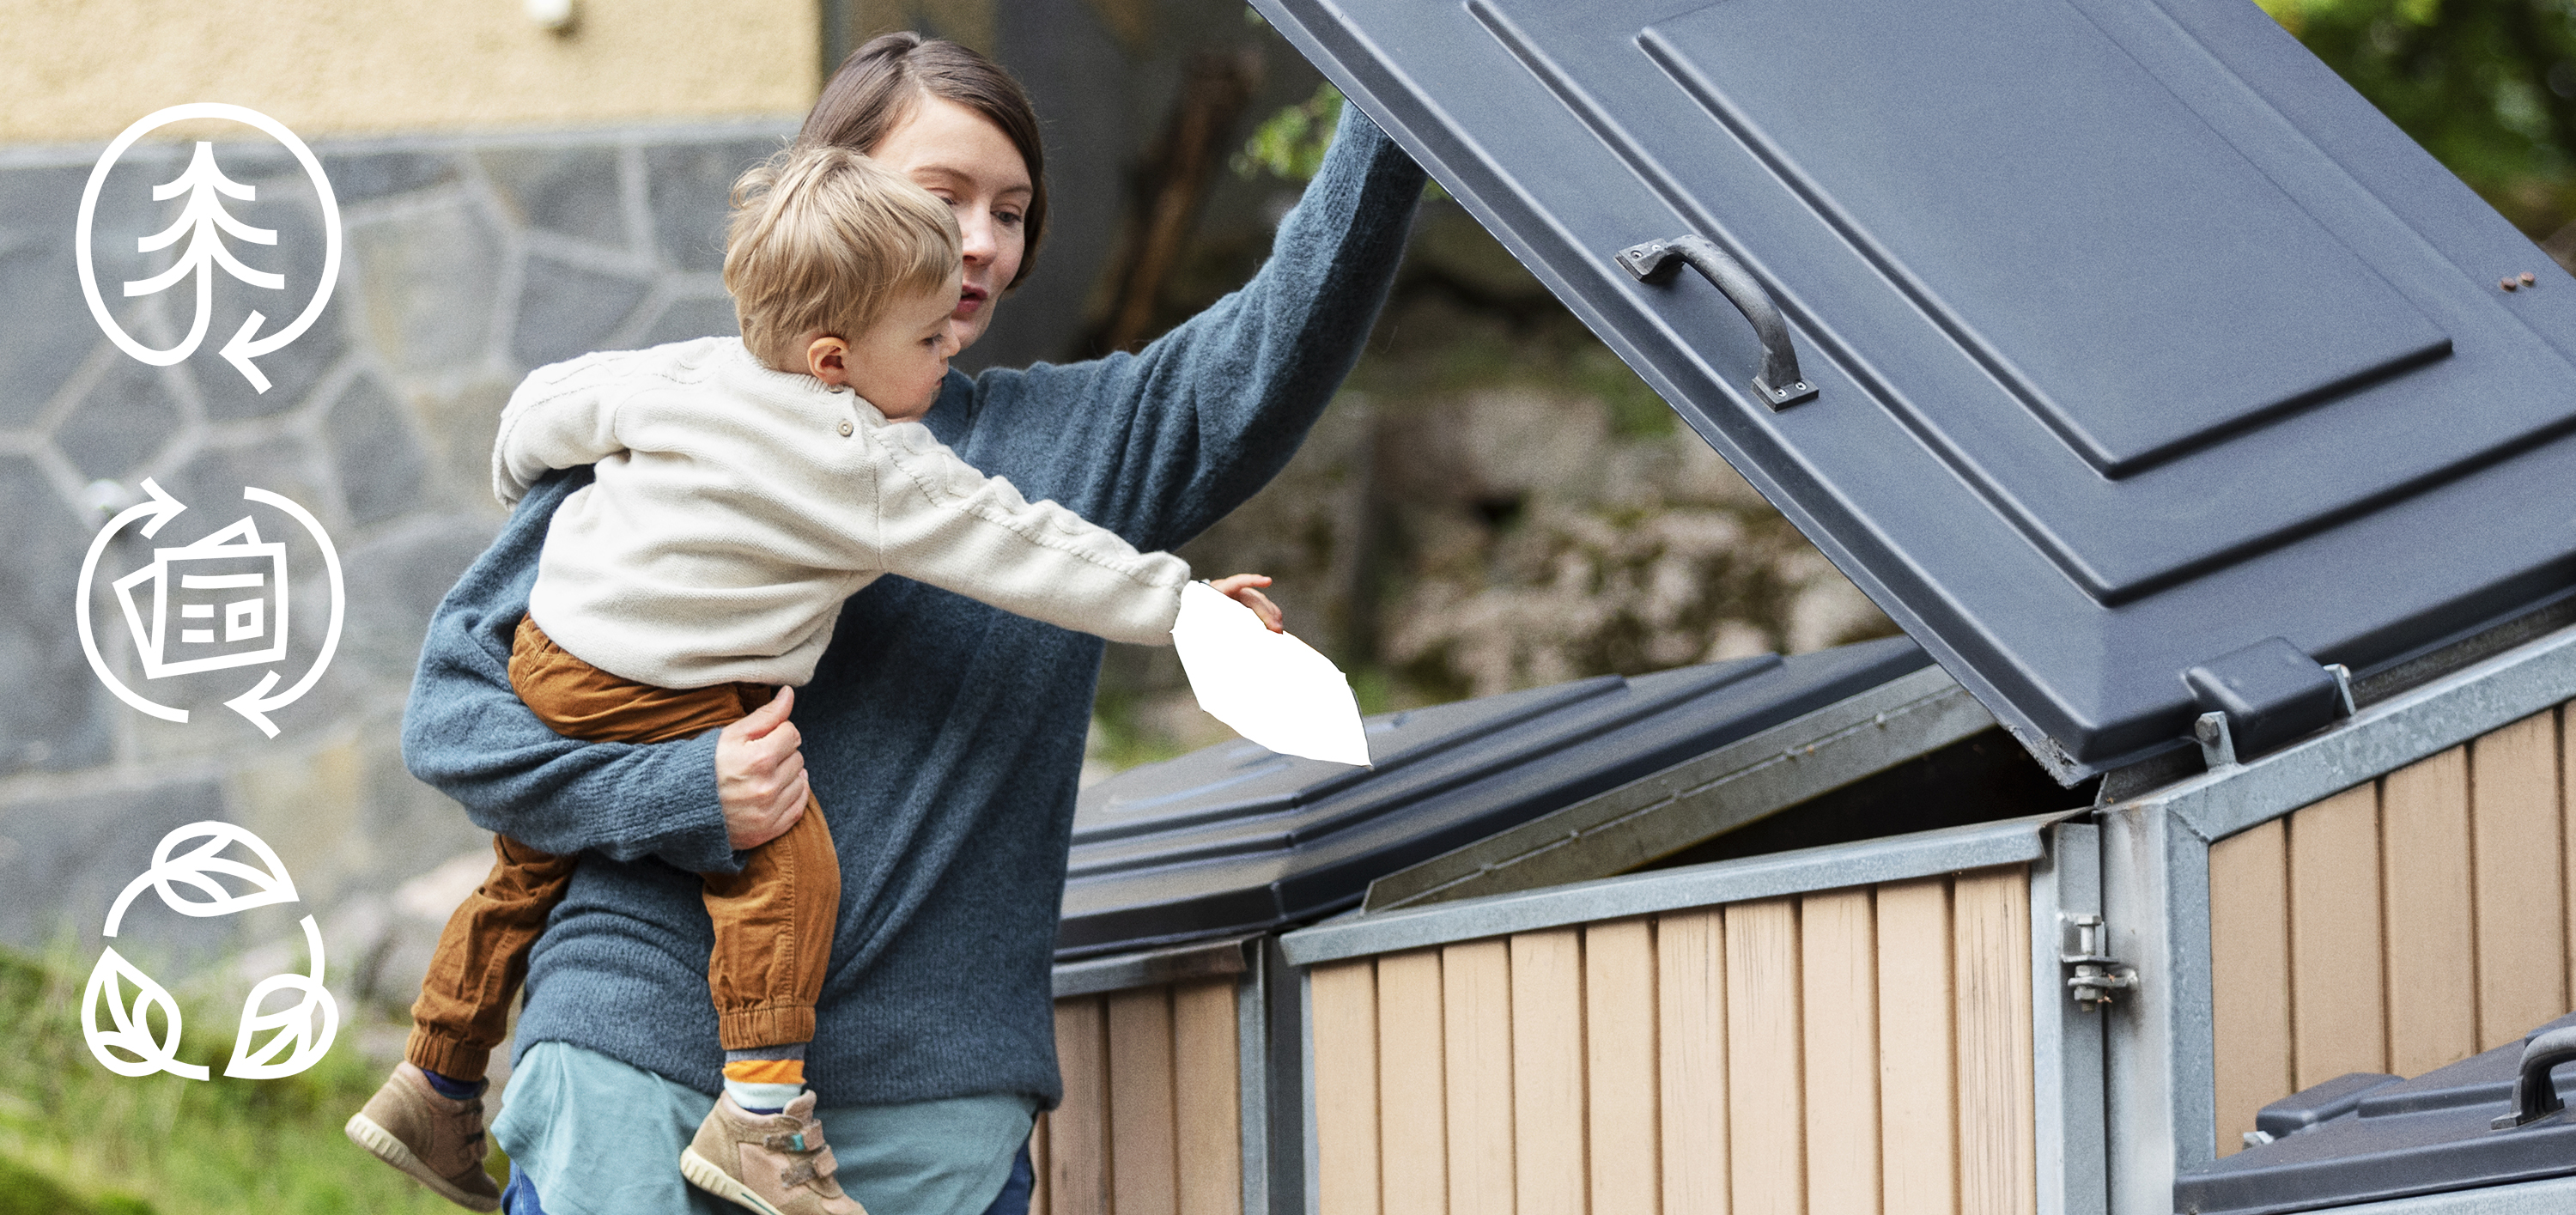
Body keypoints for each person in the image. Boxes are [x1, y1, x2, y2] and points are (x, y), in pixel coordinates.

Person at [401, 32, 1426, 1215]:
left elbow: (1288, 325)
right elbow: (456, 719)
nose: (980, 240)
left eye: (1013, 210)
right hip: (632, 1057)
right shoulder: (675, 423)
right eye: (943, 198)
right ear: (830, 192)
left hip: (931, 1107)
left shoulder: (1081, 449)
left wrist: (1409, 69)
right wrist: (684, 794)